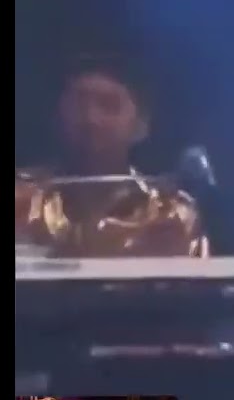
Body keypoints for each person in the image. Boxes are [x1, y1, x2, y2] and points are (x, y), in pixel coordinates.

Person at [14, 55, 209, 258]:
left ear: (141, 126)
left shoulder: (170, 214)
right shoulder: (22, 199)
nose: (91, 119)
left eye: (109, 106)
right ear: (57, 117)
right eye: (78, 105)